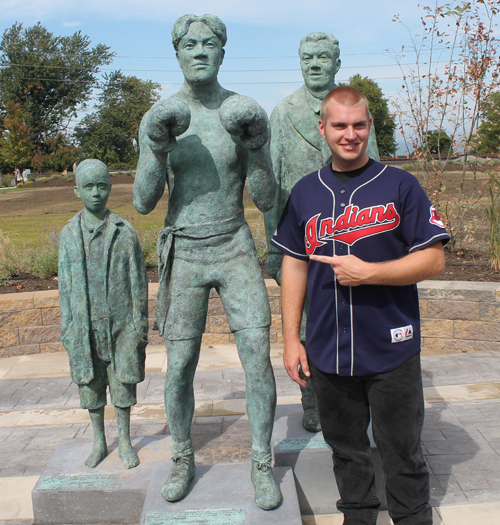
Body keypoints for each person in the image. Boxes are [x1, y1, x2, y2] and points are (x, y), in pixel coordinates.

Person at [271, 86, 450, 524]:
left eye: (357, 125)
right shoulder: (305, 193)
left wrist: (369, 272)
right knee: (347, 454)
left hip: (392, 348)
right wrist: (291, 339)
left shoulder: (400, 185)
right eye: (339, 125)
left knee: (402, 453)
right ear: (323, 129)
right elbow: (293, 264)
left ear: (369, 126)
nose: (349, 134)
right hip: (328, 350)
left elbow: (434, 258)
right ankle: (358, 516)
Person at [133, 14, 281, 510]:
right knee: (179, 368)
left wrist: (256, 147)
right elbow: (141, 201)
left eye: (210, 44)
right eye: (190, 44)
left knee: (258, 358)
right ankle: (181, 456)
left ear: (223, 53)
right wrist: (157, 148)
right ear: (176, 54)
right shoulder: (162, 115)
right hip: (187, 250)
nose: (200, 51)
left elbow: (263, 198)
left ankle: (263, 460)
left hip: (234, 244)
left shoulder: (240, 113)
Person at [264, 33, 380, 432]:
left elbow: (376, 170)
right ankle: (313, 400)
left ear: (336, 62)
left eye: (323, 57)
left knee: (359, 318)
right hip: (305, 240)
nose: (315, 64)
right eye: (307, 57)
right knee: (312, 323)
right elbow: (275, 186)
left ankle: (364, 394)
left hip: (352, 237)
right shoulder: (283, 113)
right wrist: (274, 249)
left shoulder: (354, 112)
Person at [58, 159, 148, 470]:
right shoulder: (69, 235)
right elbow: (64, 288)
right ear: (76, 191)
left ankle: (124, 440)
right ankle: (99, 441)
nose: (96, 193)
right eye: (89, 187)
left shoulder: (124, 231)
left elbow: (138, 283)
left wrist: (139, 327)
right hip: (85, 326)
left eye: (102, 186)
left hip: (121, 325)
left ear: (110, 188)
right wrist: (68, 329)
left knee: (123, 385)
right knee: (91, 385)